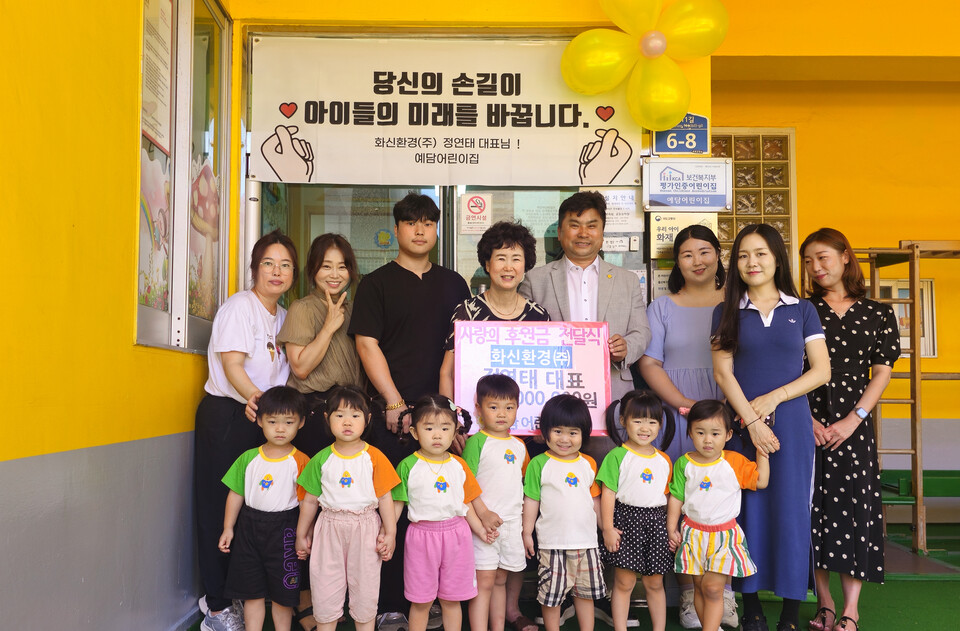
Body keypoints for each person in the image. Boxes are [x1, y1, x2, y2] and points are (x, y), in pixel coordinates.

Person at [349, 193, 471, 630]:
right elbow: (367, 343)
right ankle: (390, 604)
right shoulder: (376, 283)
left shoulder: (455, 284)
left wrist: (457, 415)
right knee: (390, 509)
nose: (420, 230)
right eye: (411, 222)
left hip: (440, 419)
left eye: (428, 223)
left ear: (436, 230)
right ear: (397, 229)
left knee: (437, 509)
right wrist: (394, 400)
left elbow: (464, 350)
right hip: (391, 416)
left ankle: (432, 599)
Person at [711, 224, 831, 631]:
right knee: (745, 510)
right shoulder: (725, 311)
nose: (752, 262)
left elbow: (821, 371)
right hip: (740, 425)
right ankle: (752, 608)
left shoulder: (803, 310)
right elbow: (723, 374)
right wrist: (751, 421)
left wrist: (775, 398)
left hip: (793, 426)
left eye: (761, 253)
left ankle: (791, 612)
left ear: (777, 258)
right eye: (743, 255)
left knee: (792, 510)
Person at [195, 230, 298, 631]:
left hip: (263, 418)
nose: (277, 271)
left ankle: (241, 593)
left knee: (254, 509)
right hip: (229, 415)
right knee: (219, 507)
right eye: (268, 263)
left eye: (285, 265)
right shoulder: (240, 307)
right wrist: (257, 399)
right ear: (255, 269)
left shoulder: (284, 317)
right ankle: (217, 605)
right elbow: (232, 364)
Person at [801, 228, 899, 631]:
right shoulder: (802, 310)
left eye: (822, 257)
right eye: (808, 260)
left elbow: (881, 373)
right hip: (807, 422)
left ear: (845, 256)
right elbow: (790, 369)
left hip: (854, 426)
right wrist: (807, 421)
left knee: (855, 511)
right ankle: (824, 603)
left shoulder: (879, 313)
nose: (815, 267)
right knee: (813, 511)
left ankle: (851, 609)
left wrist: (853, 419)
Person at [637, 225, 731, 629]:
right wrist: (684, 405)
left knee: (720, 502)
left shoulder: (736, 302)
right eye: (687, 254)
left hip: (726, 412)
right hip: (676, 417)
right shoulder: (661, 306)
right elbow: (648, 363)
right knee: (680, 501)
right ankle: (689, 596)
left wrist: (725, 410)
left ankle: (723, 593)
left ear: (718, 255)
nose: (697, 261)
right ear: (677, 262)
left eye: (705, 251)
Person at [519, 190, 650, 461]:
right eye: (574, 225)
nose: (583, 233)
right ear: (560, 232)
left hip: (611, 395)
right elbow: (523, 337)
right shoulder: (535, 279)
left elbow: (642, 331)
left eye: (591, 226)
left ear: (602, 233)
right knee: (556, 474)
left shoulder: (626, 280)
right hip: (554, 395)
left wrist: (626, 348)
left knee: (609, 474)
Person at [295, 386, 401, 631]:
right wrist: (302, 533)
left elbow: (385, 498)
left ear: (368, 419)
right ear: (327, 418)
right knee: (325, 590)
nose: (347, 422)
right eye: (339, 415)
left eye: (355, 415)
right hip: (328, 528)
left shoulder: (375, 457)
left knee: (365, 592)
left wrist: (390, 532)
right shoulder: (321, 459)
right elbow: (309, 501)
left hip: (366, 529)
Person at [391, 395, 494, 631]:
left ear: (455, 431)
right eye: (429, 428)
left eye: (445, 428)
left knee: (451, 600)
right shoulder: (408, 466)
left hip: (457, 536)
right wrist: (388, 533)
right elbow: (396, 505)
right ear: (414, 432)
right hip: (421, 538)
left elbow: (466, 504)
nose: (437, 435)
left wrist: (480, 530)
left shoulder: (459, 465)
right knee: (421, 601)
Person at [666, 401, 770, 631]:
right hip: (692, 535)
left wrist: (762, 451)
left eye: (715, 433)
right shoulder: (684, 463)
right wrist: (671, 528)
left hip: (724, 537)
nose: (708, 440)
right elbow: (676, 497)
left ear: (728, 434)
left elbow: (761, 480)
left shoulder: (734, 461)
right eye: (700, 433)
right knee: (700, 587)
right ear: (690, 432)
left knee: (713, 589)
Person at [218, 386, 312, 631]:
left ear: (301, 423)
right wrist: (228, 528)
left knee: (283, 595)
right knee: (252, 592)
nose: (280, 429)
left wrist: (304, 535)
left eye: (288, 422)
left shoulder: (302, 461)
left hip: (286, 530)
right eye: (272, 421)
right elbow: (236, 494)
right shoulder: (248, 458)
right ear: (259, 421)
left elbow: (307, 503)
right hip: (248, 529)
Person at [522, 394, 605, 631]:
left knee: (585, 594)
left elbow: (595, 499)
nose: (565, 439)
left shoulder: (588, 463)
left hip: (587, 543)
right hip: (552, 544)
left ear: (584, 434)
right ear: (545, 431)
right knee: (552, 597)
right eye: (558, 431)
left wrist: (606, 528)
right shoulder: (539, 463)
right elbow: (531, 500)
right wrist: (526, 532)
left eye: (573, 432)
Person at [439, 221, 550, 399]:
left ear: (525, 265)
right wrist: (451, 413)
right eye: (501, 258)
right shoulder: (468, 311)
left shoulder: (538, 316)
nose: (508, 267)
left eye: (516, 259)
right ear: (488, 264)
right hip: (473, 413)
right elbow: (446, 373)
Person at [279, 233, 367, 455]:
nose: (335, 275)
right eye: (326, 266)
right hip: (315, 412)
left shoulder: (355, 310)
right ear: (313, 269)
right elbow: (300, 368)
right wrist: (328, 327)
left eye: (342, 267)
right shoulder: (302, 308)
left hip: (352, 411)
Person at [597, 390, 676, 631]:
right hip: (626, 521)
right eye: (638, 420)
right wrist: (608, 528)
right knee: (624, 583)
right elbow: (608, 494)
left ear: (660, 424)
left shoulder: (664, 459)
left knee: (655, 583)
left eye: (652, 422)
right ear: (623, 421)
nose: (645, 428)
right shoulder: (617, 456)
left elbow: (669, 497)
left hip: (657, 524)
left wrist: (671, 529)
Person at [462, 375, 531, 631]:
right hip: (483, 525)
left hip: (511, 525)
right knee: (485, 581)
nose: (502, 414)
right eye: (493, 407)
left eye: (509, 407)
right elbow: (465, 485)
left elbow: (521, 484)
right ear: (478, 409)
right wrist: (483, 515)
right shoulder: (476, 442)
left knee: (501, 578)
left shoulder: (519, 446)